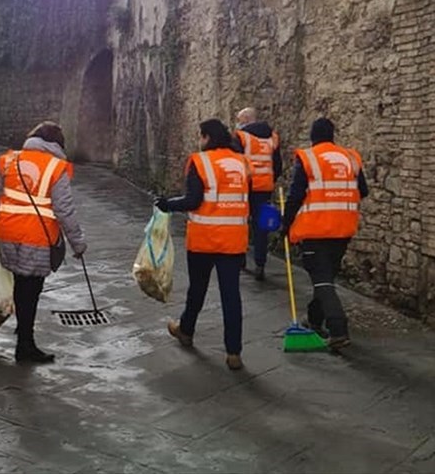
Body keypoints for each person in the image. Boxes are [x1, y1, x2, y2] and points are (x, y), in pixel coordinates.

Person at [0, 121, 87, 363]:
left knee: (21, 286)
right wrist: (78, 243)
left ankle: (24, 331)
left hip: (8, 233)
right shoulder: (56, 167)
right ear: (57, 143)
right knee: (31, 290)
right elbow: (64, 210)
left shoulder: (11, 160)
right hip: (36, 237)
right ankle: (25, 346)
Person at [155, 119, 250, 370]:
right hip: (234, 239)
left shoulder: (201, 162)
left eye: (201, 136)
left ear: (207, 137)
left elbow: (193, 200)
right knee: (231, 296)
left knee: (197, 288)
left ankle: (186, 329)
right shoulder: (241, 163)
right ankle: (233, 352)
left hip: (204, 238)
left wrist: (167, 204)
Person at [279, 118, 368, 350]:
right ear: (333, 135)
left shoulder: (309, 158)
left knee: (322, 280)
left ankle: (338, 329)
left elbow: (296, 195)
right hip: (343, 229)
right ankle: (315, 319)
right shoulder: (350, 158)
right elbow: (363, 190)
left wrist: (285, 224)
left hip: (315, 229)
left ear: (312, 136)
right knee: (326, 278)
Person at [234, 107, 282, 281]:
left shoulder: (241, 137)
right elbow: (278, 165)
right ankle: (260, 264)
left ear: (246, 119)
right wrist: (269, 179)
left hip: (244, 186)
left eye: (239, 119)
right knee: (261, 226)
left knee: (241, 222)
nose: (238, 123)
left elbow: (236, 162)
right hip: (264, 188)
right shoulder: (272, 137)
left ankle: (240, 260)